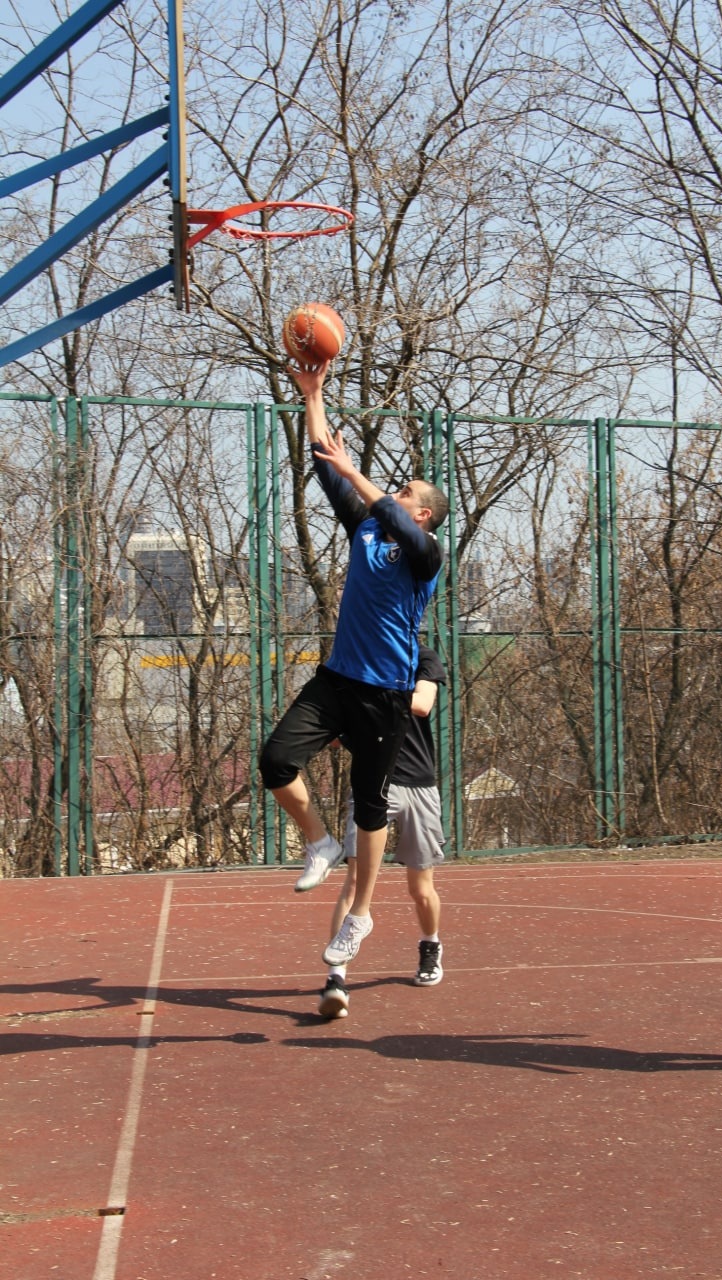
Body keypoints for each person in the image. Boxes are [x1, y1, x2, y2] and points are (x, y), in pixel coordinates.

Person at [258, 359, 448, 970]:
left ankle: (360, 914)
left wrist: (355, 472)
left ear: (422, 513)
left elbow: (387, 510)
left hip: (385, 692)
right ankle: (318, 841)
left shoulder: (425, 552)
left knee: (370, 803)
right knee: (275, 759)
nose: (396, 494)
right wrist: (313, 394)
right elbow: (323, 457)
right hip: (338, 680)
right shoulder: (367, 529)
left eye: (406, 493)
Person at [319, 644, 447, 1019]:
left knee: (420, 888)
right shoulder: (350, 664)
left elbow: (422, 704)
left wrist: (363, 702)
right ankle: (336, 978)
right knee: (355, 882)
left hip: (420, 787)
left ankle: (430, 945)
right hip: (373, 783)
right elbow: (333, 735)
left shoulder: (422, 658)